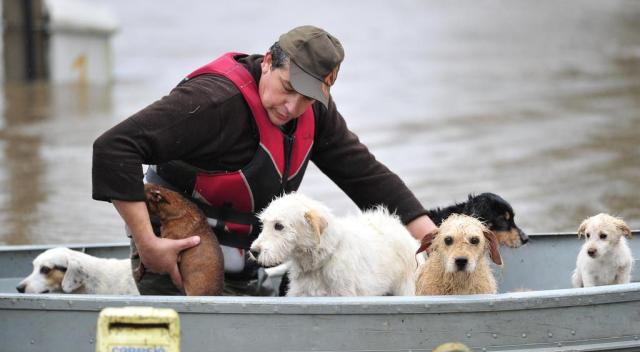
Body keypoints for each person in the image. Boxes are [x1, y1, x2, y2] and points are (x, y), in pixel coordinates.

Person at [92, 25, 437, 296]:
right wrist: (149, 245)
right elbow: (114, 148)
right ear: (269, 63)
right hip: (177, 263)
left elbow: (367, 176)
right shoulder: (212, 102)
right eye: (287, 88)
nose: (292, 108)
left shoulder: (315, 112)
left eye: (307, 99)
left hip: (248, 262)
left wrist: (435, 244)